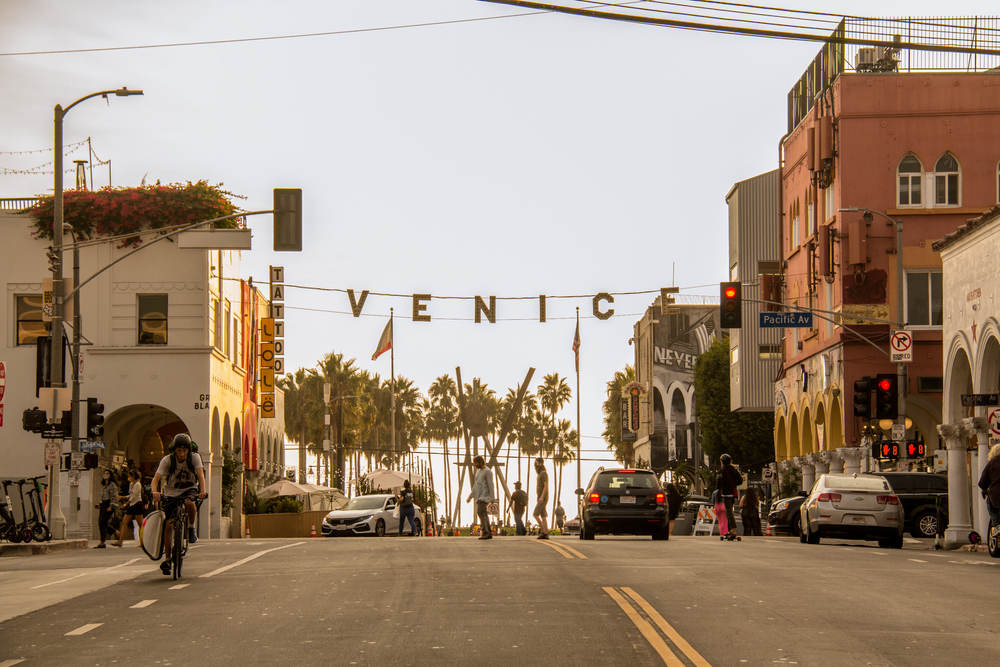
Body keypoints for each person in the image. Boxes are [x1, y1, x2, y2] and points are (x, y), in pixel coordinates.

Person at [151, 433, 207, 575]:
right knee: (169, 525)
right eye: (178, 450)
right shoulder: (167, 460)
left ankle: (191, 528)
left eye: (184, 450)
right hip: (171, 492)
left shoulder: (194, 457)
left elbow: (200, 475)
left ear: (188, 450)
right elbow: (156, 479)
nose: (181, 453)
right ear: (174, 450)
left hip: (189, 489)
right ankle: (168, 559)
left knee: (190, 503)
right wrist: (154, 492)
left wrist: (202, 491)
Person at [112, 469, 145, 547]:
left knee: (140, 524)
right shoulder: (131, 484)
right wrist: (123, 497)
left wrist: (126, 504)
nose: (129, 477)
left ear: (133, 476)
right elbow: (130, 495)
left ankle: (143, 542)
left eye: (130, 476)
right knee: (124, 522)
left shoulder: (138, 484)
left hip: (137, 504)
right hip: (131, 505)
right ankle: (120, 541)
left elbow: (134, 496)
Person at [466, 455, 496, 540]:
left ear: (480, 462)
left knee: (481, 512)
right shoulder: (478, 472)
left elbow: (491, 485)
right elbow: (476, 486)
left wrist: (492, 498)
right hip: (479, 497)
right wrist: (470, 496)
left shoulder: (487, 471)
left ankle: (486, 532)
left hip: (485, 496)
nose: (474, 465)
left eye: (475, 463)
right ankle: (487, 532)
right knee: (482, 513)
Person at [716, 453, 743, 538]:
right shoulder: (733, 469)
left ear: (722, 461)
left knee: (728, 512)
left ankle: (733, 530)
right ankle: (729, 530)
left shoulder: (721, 471)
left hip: (725, 494)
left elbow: (718, 484)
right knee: (728, 511)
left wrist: (719, 492)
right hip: (733, 493)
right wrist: (733, 484)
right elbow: (740, 480)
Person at [94, 469, 119, 548]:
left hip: (109, 504)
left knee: (102, 522)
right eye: (105, 473)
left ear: (110, 475)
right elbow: (103, 496)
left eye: (107, 473)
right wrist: (100, 504)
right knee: (101, 522)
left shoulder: (112, 485)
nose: (106, 475)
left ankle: (102, 542)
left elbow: (114, 496)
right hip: (104, 504)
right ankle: (114, 532)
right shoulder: (104, 485)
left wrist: (111, 506)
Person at [979, 443, 1000, 524]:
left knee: (996, 520)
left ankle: (996, 526)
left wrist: (985, 489)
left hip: (995, 498)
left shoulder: (991, 463)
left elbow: (982, 482)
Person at [533, 457, 550, 540]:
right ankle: (546, 534)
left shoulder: (543, 473)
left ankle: (543, 532)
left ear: (540, 463)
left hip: (542, 497)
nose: (535, 464)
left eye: (536, 463)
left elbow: (546, 486)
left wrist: (542, 497)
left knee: (535, 514)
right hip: (540, 497)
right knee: (543, 516)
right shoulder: (539, 474)